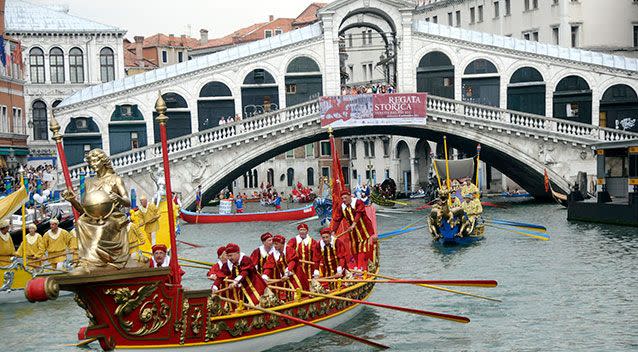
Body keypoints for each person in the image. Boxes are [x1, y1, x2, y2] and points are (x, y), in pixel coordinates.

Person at [63, 148, 130, 274]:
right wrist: (72, 200)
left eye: (95, 161)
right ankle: (87, 260)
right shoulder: (89, 182)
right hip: (93, 216)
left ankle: (99, 262)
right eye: (91, 162)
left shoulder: (116, 179)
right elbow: (84, 211)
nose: (93, 165)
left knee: (102, 227)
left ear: (103, 161)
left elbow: (127, 202)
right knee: (81, 222)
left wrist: (119, 198)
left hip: (112, 215)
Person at [330, 190, 375, 272]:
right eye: (342, 198)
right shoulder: (342, 207)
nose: (344, 200)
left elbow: (359, 213)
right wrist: (333, 231)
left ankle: (360, 267)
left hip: (363, 229)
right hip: (352, 230)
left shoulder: (358, 202)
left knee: (362, 246)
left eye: (345, 198)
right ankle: (357, 266)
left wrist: (354, 224)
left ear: (350, 196)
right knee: (354, 247)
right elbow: (337, 219)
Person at [263, 234, 307, 300]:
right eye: (274, 244)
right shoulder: (273, 254)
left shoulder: (289, 250)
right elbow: (269, 266)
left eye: (276, 244)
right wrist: (265, 276)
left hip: (296, 275)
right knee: (287, 293)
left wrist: (287, 272)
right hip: (285, 278)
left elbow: (292, 262)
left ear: (282, 244)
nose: (274, 246)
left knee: (299, 292)